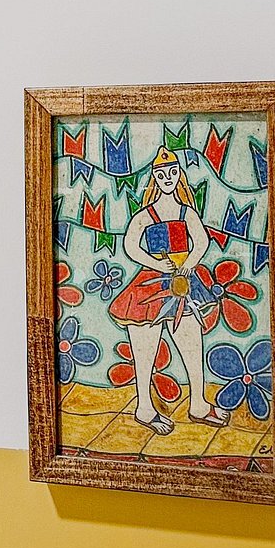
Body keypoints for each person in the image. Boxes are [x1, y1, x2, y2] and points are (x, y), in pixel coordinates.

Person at [105, 147, 229, 434]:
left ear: (179, 175)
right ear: (154, 179)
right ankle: (145, 408)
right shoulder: (146, 215)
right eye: (162, 175)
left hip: (183, 282)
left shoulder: (186, 212)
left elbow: (201, 242)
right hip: (150, 284)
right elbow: (130, 245)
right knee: (144, 348)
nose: (168, 178)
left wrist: (187, 265)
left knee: (191, 341)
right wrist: (157, 264)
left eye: (173, 172)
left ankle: (198, 404)